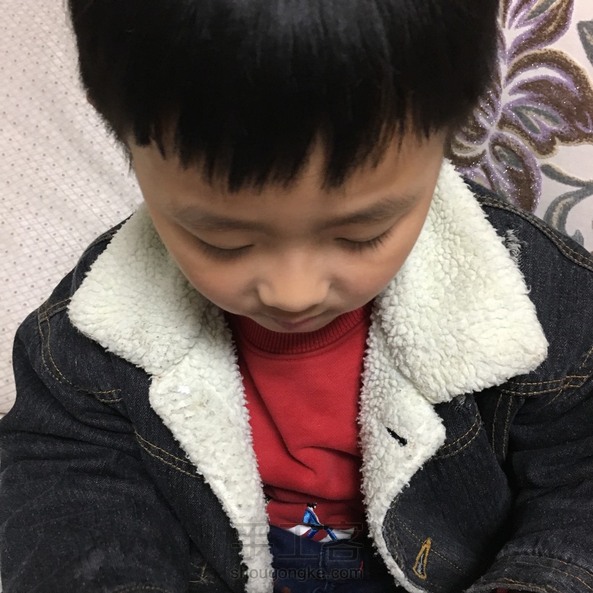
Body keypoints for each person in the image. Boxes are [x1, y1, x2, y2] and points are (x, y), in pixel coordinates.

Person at [0, 0, 592, 592]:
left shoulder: (537, 302)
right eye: (224, 241)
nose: (293, 294)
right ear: (128, 147)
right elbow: (63, 484)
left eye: (361, 233)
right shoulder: (99, 321)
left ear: (446, 138)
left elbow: (578, 479)